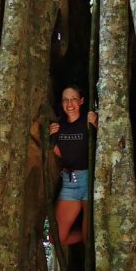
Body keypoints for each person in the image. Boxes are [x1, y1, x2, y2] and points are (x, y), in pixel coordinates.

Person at [48, 85, 98, 248]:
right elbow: (59, 152)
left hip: (90, 179)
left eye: (74, 99)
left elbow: (104, 147)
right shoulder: (59, 125)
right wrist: (51, 136)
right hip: (70, 182)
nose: (69, 104)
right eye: (65, 100)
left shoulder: (88, 121)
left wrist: (96, 125)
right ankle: (83, 238)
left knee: (90, 239)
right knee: (55, 238)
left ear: (81, 101)